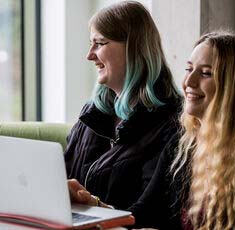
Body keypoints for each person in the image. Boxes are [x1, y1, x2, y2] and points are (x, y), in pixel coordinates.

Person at [127, 31, 235, 230]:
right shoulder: (182, 146)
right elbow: (144, 212)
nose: (188, 82)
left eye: (206, 73)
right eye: (188, 68)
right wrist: (94, 208)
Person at [65, 1, 181, 210]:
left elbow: (152, 213)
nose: (89, 55)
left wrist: (97, 208)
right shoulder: (91, 112)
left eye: (100, 43)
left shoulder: (171, 122)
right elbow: (63, 174)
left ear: (134, 49)